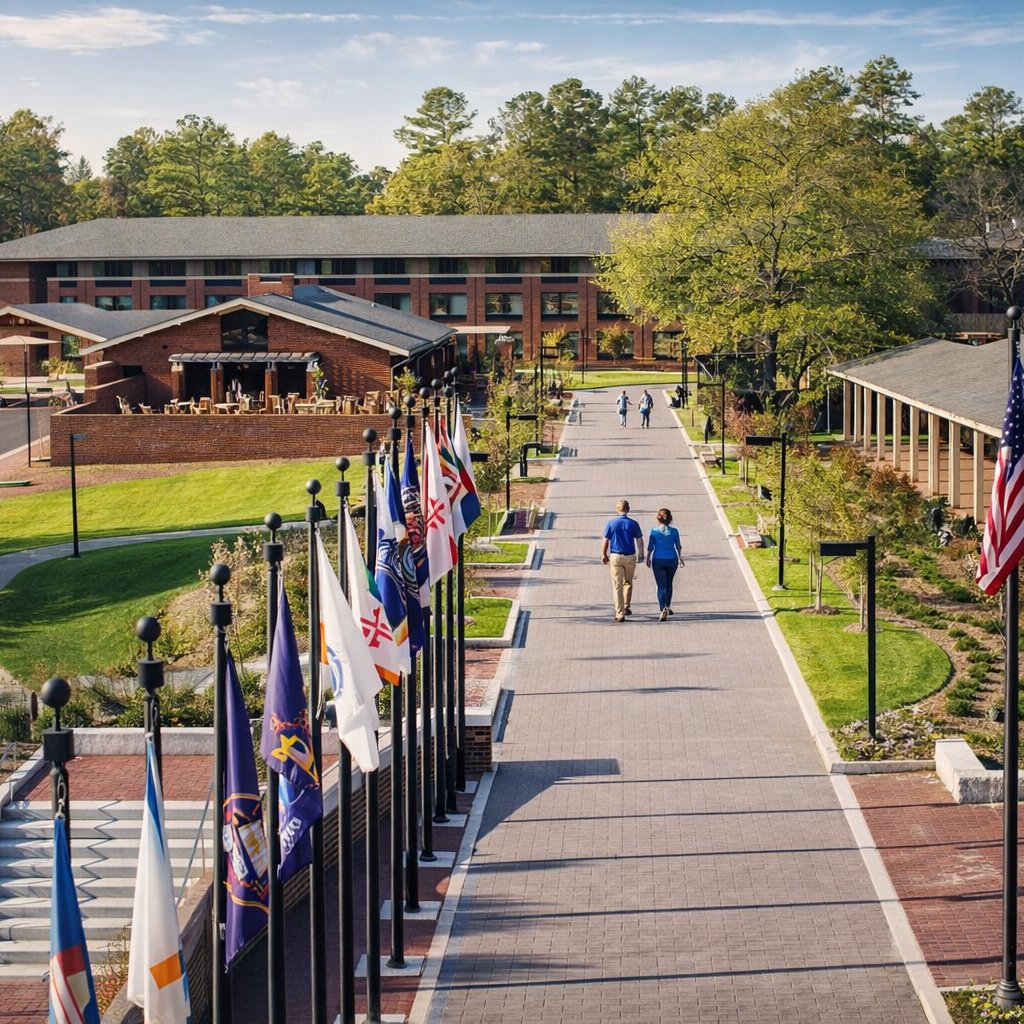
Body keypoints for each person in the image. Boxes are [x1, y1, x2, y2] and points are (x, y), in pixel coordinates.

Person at [601, 499, 645, 621]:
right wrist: (641, 554)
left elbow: (605, 540)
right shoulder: (633, 523)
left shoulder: (611, 523)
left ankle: (620, 613)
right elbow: (639, 540)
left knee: (617, 585)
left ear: (617, 509)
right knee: (628, 582)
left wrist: (603, 554)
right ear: (628, 509)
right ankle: (626, 606)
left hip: (615, 557)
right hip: (630, 557)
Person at [645, 508, 684, 621]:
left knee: (661, 586)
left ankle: (662, 608)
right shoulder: (674, 531)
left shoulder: (654, 531)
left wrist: (648, 558)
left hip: (658, 560)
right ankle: (667, 606)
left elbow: (651, 547)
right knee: (669, 583)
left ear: (658, 518)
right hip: (672, 560)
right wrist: (680, 557)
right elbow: (678, 546)